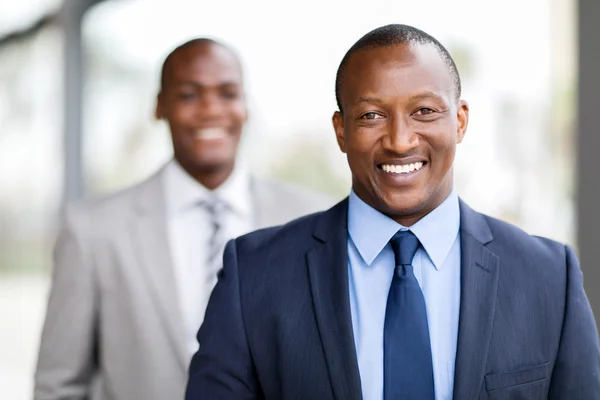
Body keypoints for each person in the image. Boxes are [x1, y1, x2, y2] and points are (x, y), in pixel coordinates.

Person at [185, 25, 600, 400]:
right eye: (371, 115)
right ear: (341, 131)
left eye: (424, 111)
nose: (400, 141)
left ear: (459, 121)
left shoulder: (548, 277)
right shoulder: (254, 274)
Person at [34, 38, 333, 400]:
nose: (211, 110)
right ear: (160, 106)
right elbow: (58, 386)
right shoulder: (92, 230)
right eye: (190, 95)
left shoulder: (311, 218)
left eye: (227, 93)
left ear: (246, 106)